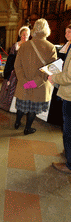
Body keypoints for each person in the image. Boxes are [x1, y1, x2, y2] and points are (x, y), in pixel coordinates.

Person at [14, 18, 57, 135]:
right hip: (39, 86)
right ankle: (27, 128)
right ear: (46, 29)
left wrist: (24, 82)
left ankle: (17, 123)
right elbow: (50, 70)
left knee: (21, 107)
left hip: (24, 84)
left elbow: (17, 65)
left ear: (34, 29)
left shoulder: (24, 45)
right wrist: (34, 83)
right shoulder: (51, 47)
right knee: (33, 109)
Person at [48, 24, 71, 174]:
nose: (67, 33)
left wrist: (53, 77)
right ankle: (68, 153)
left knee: (68, 129)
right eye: (66, 30)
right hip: (66, 91)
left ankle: (69, 164)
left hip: (69, 95)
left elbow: (69, 76)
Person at [0, 26, 30, 111]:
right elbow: (10, 60)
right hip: (14, 70)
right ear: (20, 35)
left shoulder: (30, 46)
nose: (24, 37)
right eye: (23, 35)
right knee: (11, 85)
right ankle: (8, 105)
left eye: (26, 35)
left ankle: (21, 107)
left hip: (25, 71)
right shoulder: (16, 45)